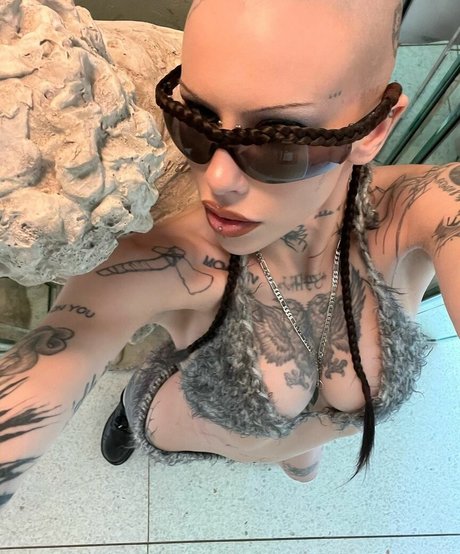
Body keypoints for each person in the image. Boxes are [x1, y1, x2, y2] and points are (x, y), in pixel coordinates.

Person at [1, 0, 459, 508]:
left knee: (301, 460)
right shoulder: (171, 262)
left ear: (373, 130)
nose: (217, 179)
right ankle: (132, 409)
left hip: (306, 440)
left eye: (278, 144)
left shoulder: (421, 210)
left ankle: (297, 455)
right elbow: (67, 343)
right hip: (185, 425)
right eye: (193, 120)